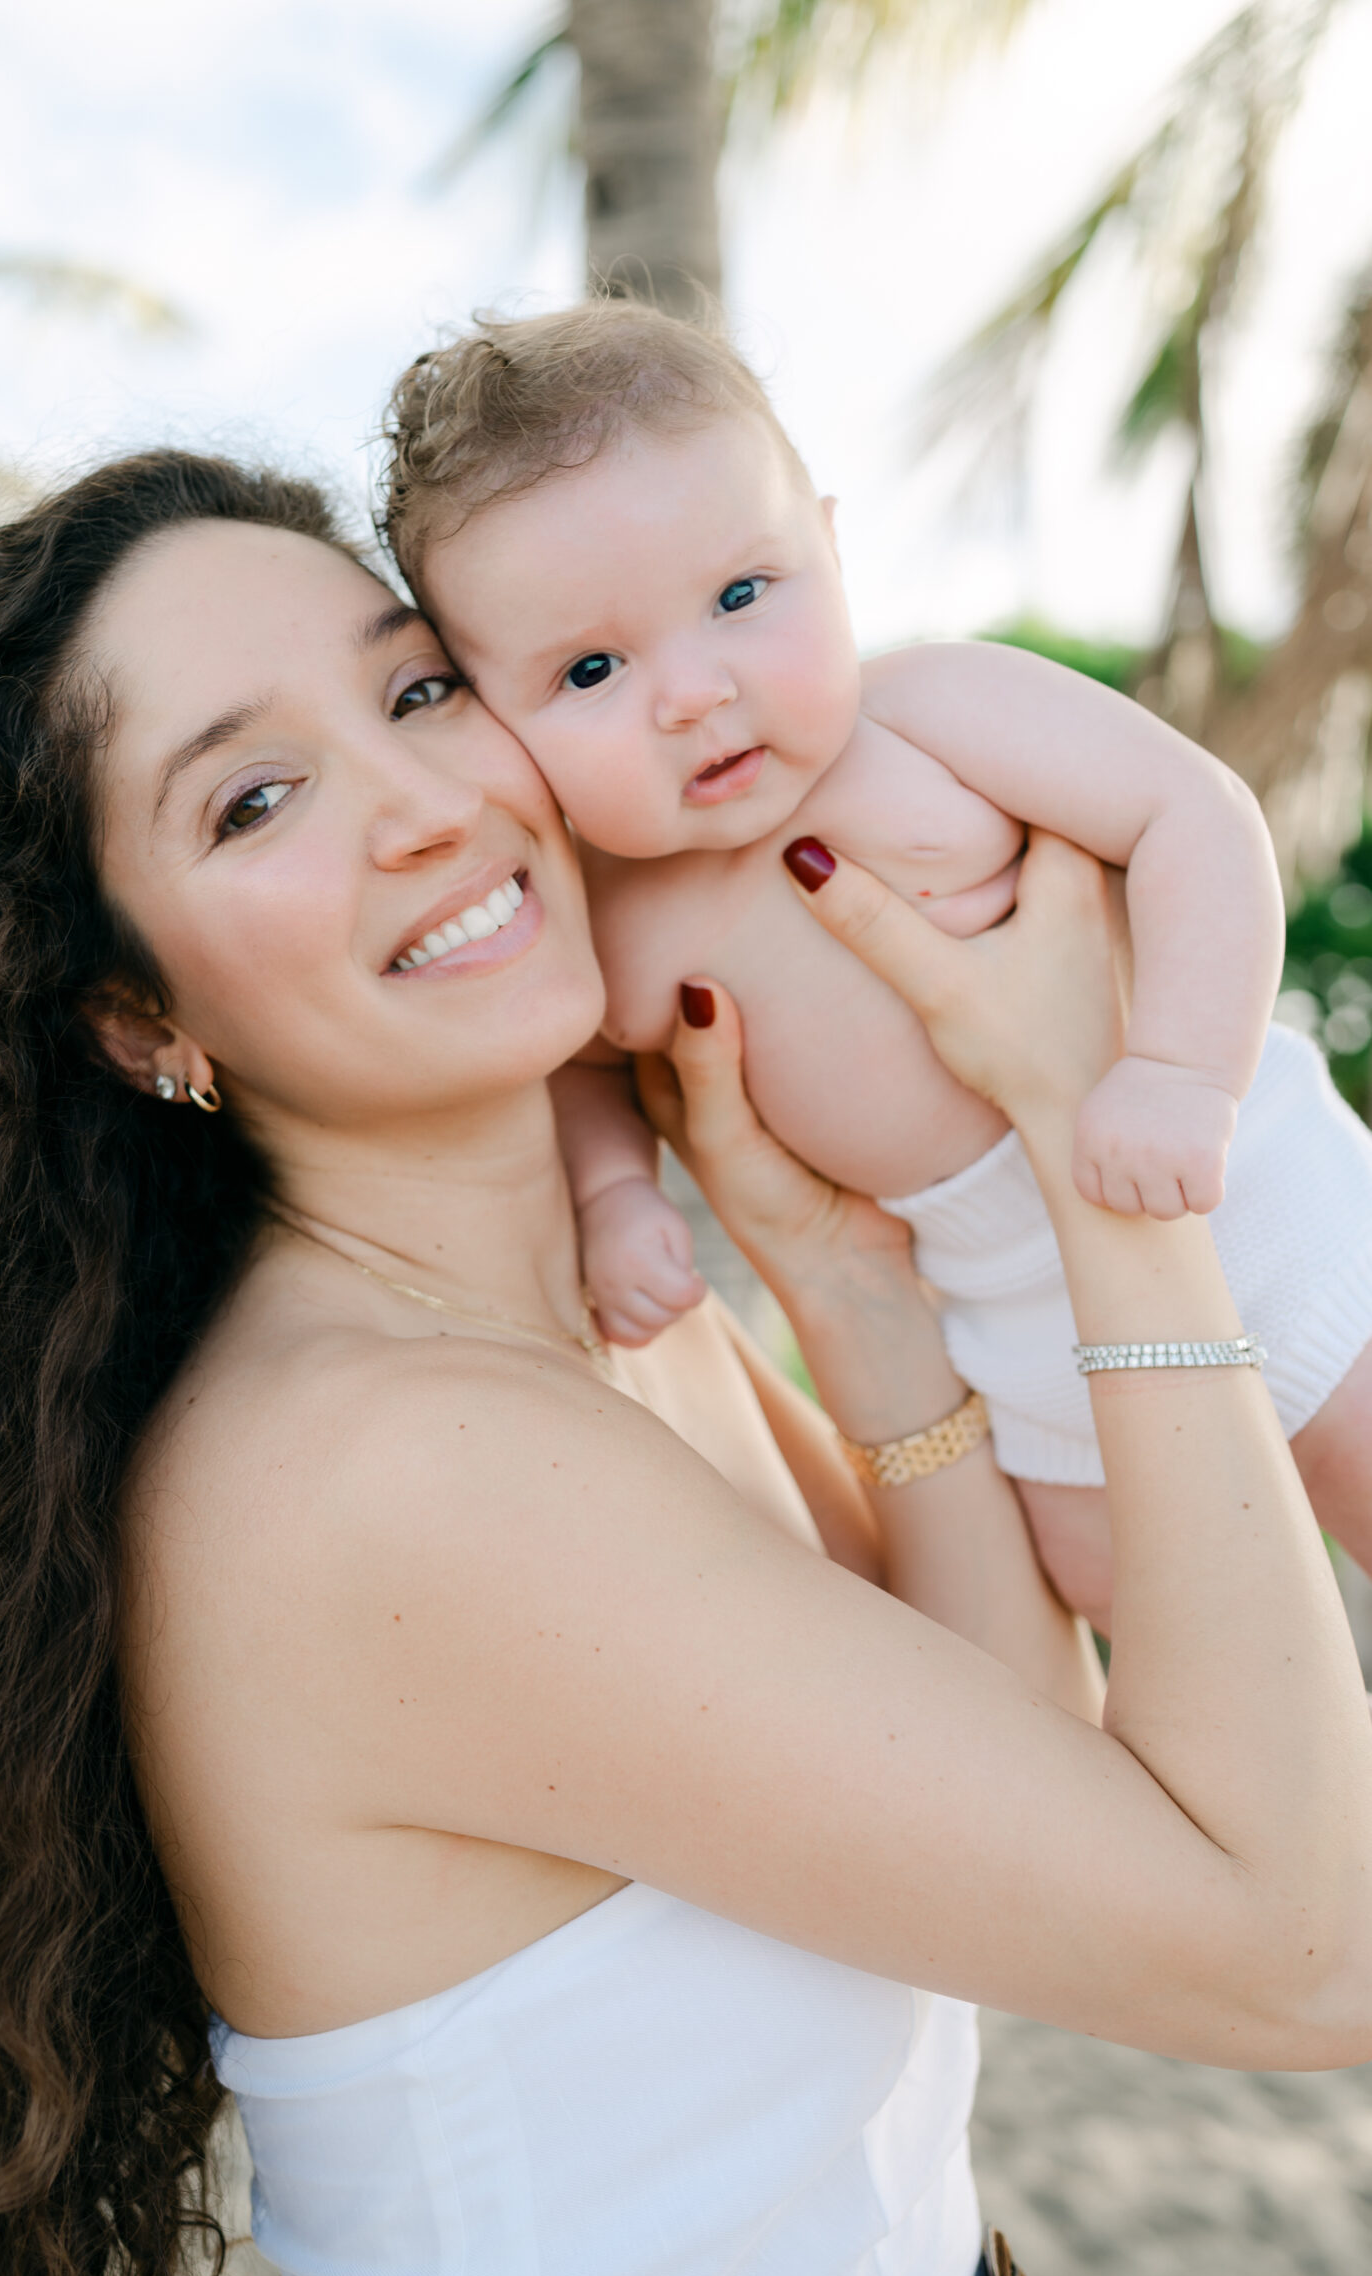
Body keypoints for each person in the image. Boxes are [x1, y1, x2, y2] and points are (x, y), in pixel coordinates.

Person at [0, 449, 1369, 2276]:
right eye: (253, 801)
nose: (421, 805)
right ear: (139, 1015)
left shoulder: (588, 1326)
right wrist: (1091, 1143)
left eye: (416, 690)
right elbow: (1305, 1952)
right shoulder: (391, 1470)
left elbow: (1012, 1748)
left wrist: (843, 1281)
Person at [378, 300, 1372, 1627]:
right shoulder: (603, 931)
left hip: (1238, 1191)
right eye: (593, 668)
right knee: (1153, 1625)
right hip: (1009, 1322)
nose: (693, 692)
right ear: (498, 720)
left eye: (741, 596)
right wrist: (619, 1198)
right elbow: (585, 1078)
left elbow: (1194, 814)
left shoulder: (932, 714)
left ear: (831, 551)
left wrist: (1185, 1073)